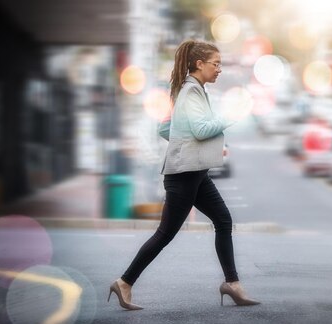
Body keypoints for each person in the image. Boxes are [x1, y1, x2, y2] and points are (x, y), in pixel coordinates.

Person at [108, 39, 260, 310]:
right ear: (199, 64)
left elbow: (166, 130)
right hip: (184, 176)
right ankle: (124, 282)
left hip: (194, 172)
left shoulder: (189, 90)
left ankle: (232, 283)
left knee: (223, 220)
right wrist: (230, 114)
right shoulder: (191, 91)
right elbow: (201, 130)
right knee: (165, 233)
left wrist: (199, 148)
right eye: (216, 64)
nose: (220, 69)